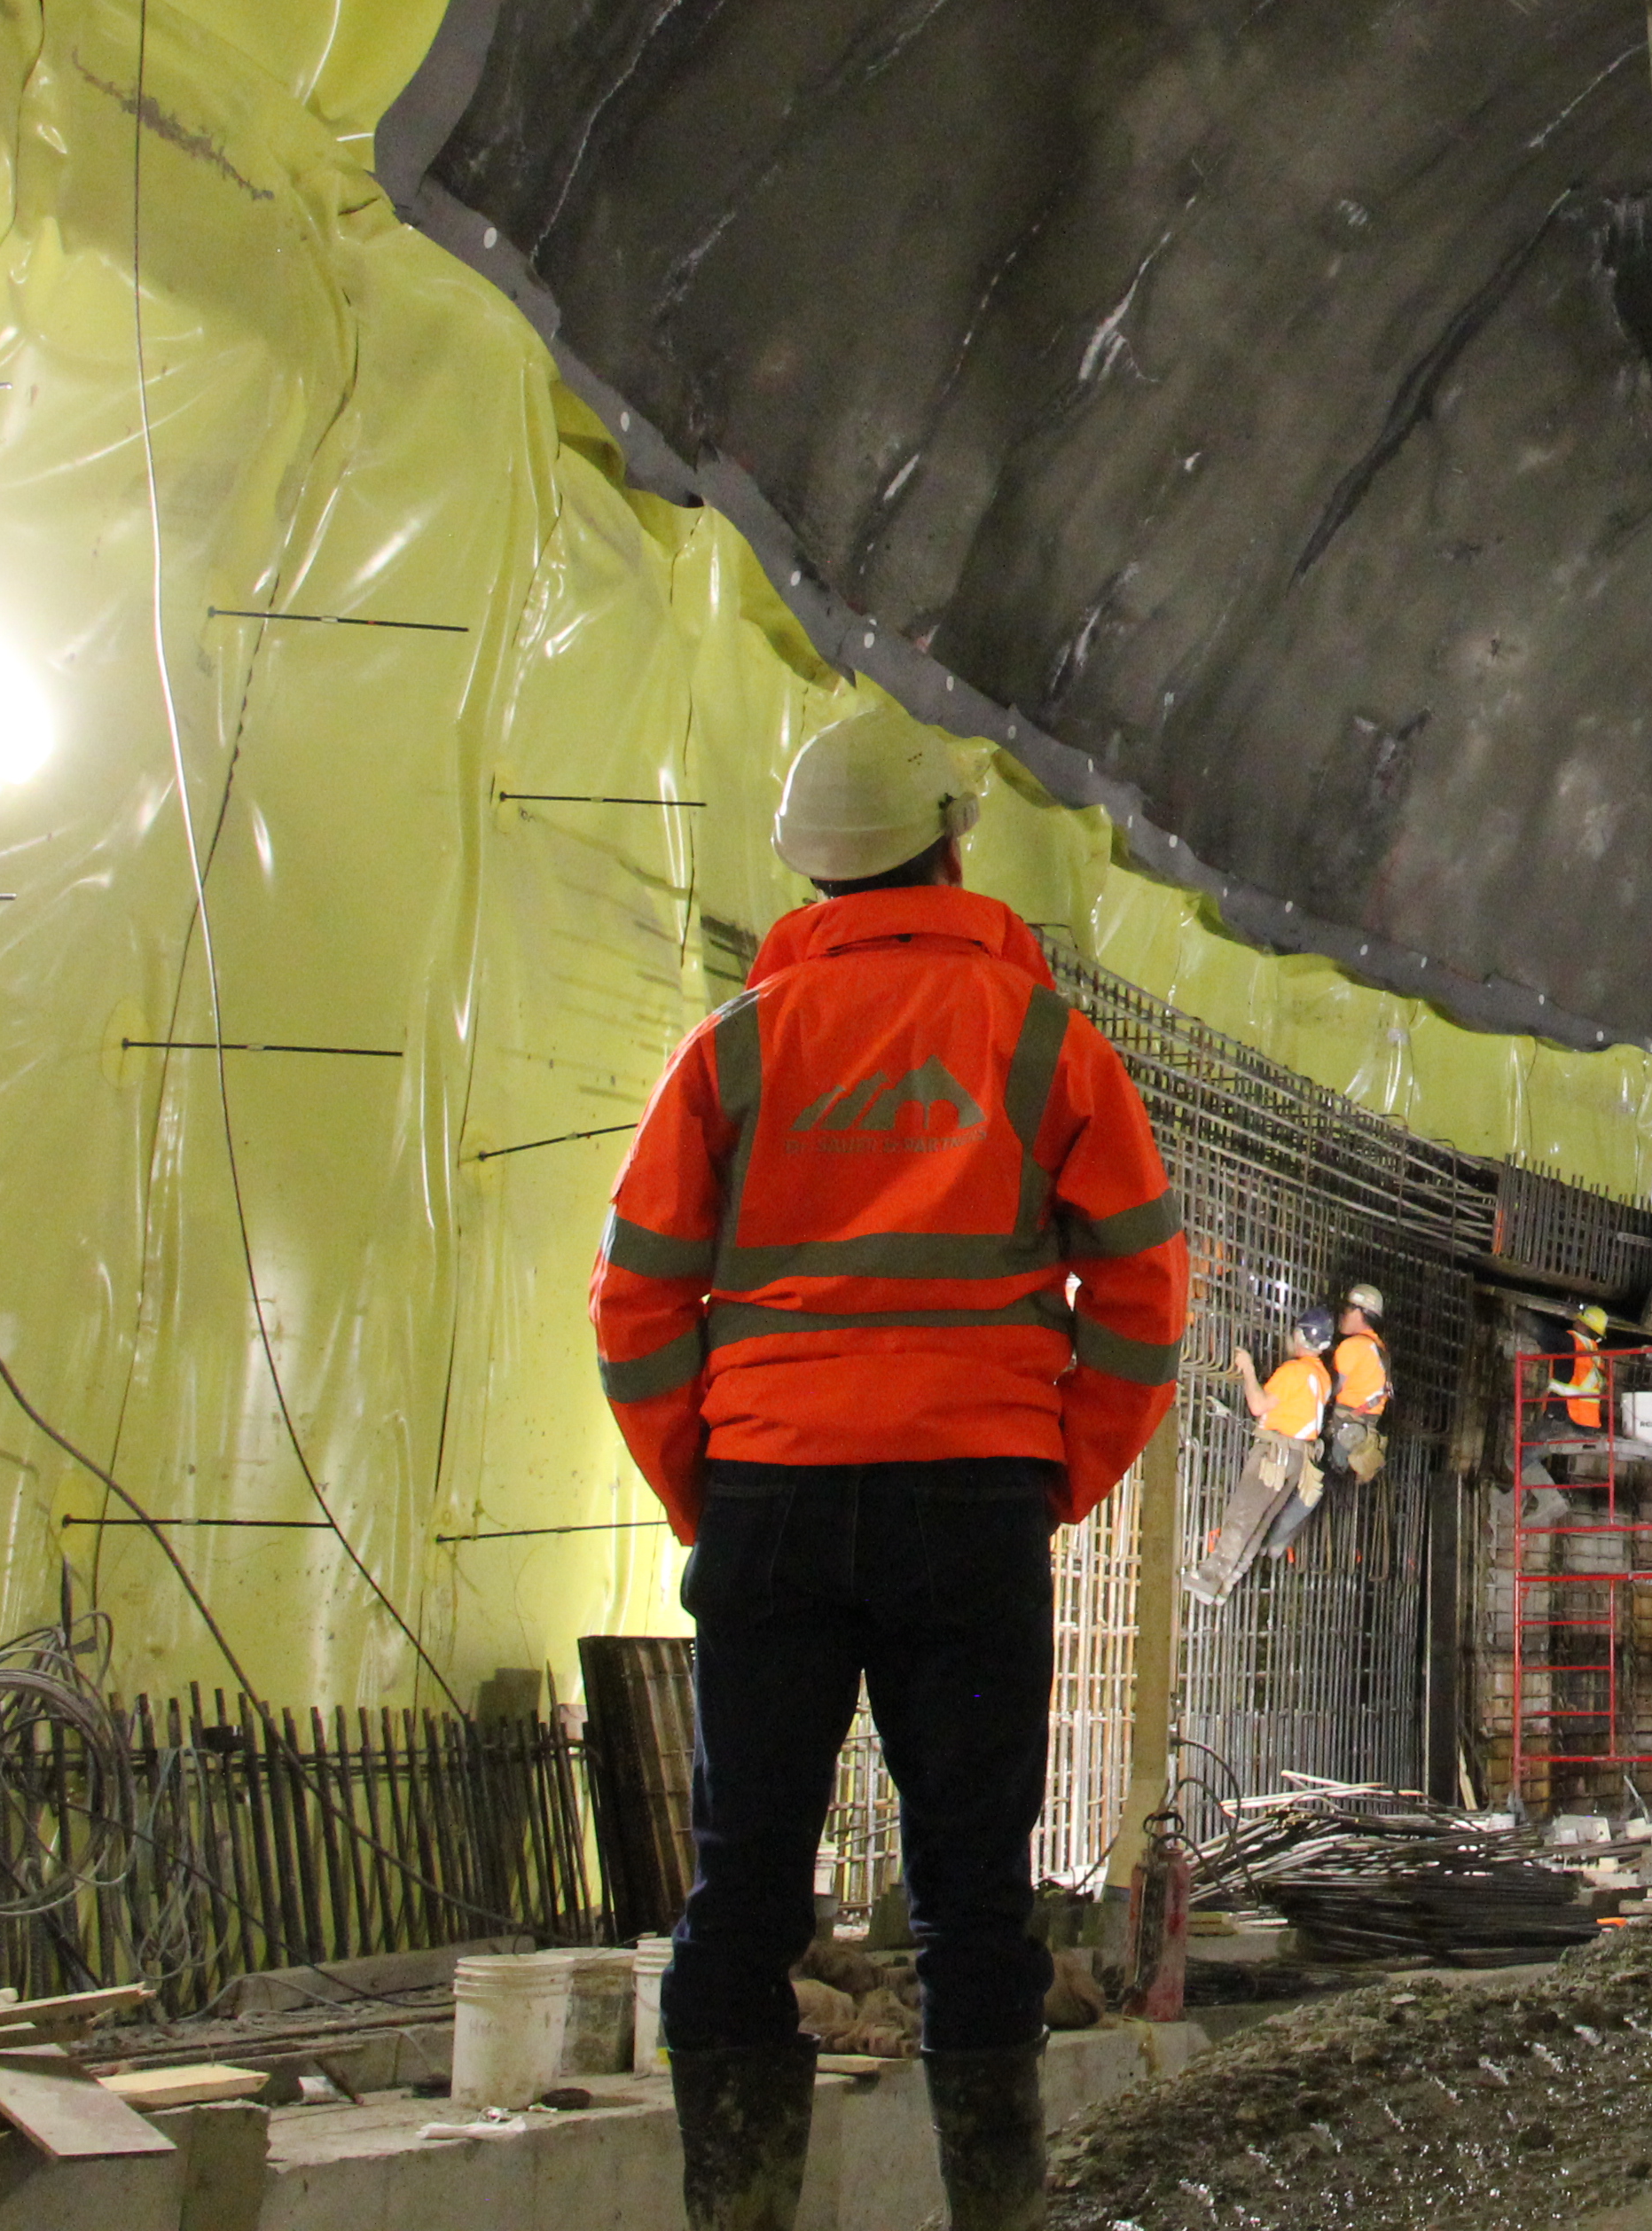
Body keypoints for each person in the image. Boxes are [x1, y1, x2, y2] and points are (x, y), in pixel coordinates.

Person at [592, 715, 1187, 2231]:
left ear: (809, 870)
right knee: (975, 1902)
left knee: (740, 1902)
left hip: (772, 1503)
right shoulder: (1046, 1042)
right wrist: (1055, 1471)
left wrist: (705, 1489)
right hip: (972, 1501)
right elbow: (1138, 1290)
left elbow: (637, 1302)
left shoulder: (732, 1050)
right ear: (950, 848)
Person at [1186, 1320, 1333, 1600]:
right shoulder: (1322, 1377)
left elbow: (1258, 1405)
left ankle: (1210, 1577)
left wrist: (1249, 1370)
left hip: (1274, 1454)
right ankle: (1226, 1583)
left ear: (1300, 1336)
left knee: (1243, 1514)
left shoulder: (1293, 1371)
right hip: (1298, 1459)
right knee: (1260, 1523)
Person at [1326, 1284, 1391, 1482]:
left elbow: (1331, 1389)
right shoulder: (1378, 1347)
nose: (1343, 1315)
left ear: (1360, 1312)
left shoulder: (1352, 1346)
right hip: (1361, 1429)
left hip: (1345, 1427)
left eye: (1347, 1309)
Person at [1552, 1302, 1612, 1435]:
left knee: (1526, 1453)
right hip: (1589, 1422)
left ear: (1584, 1324)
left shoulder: (1571, 1342)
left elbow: (1541, 1333)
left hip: (1568, 1414)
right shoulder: (1596, 1355)